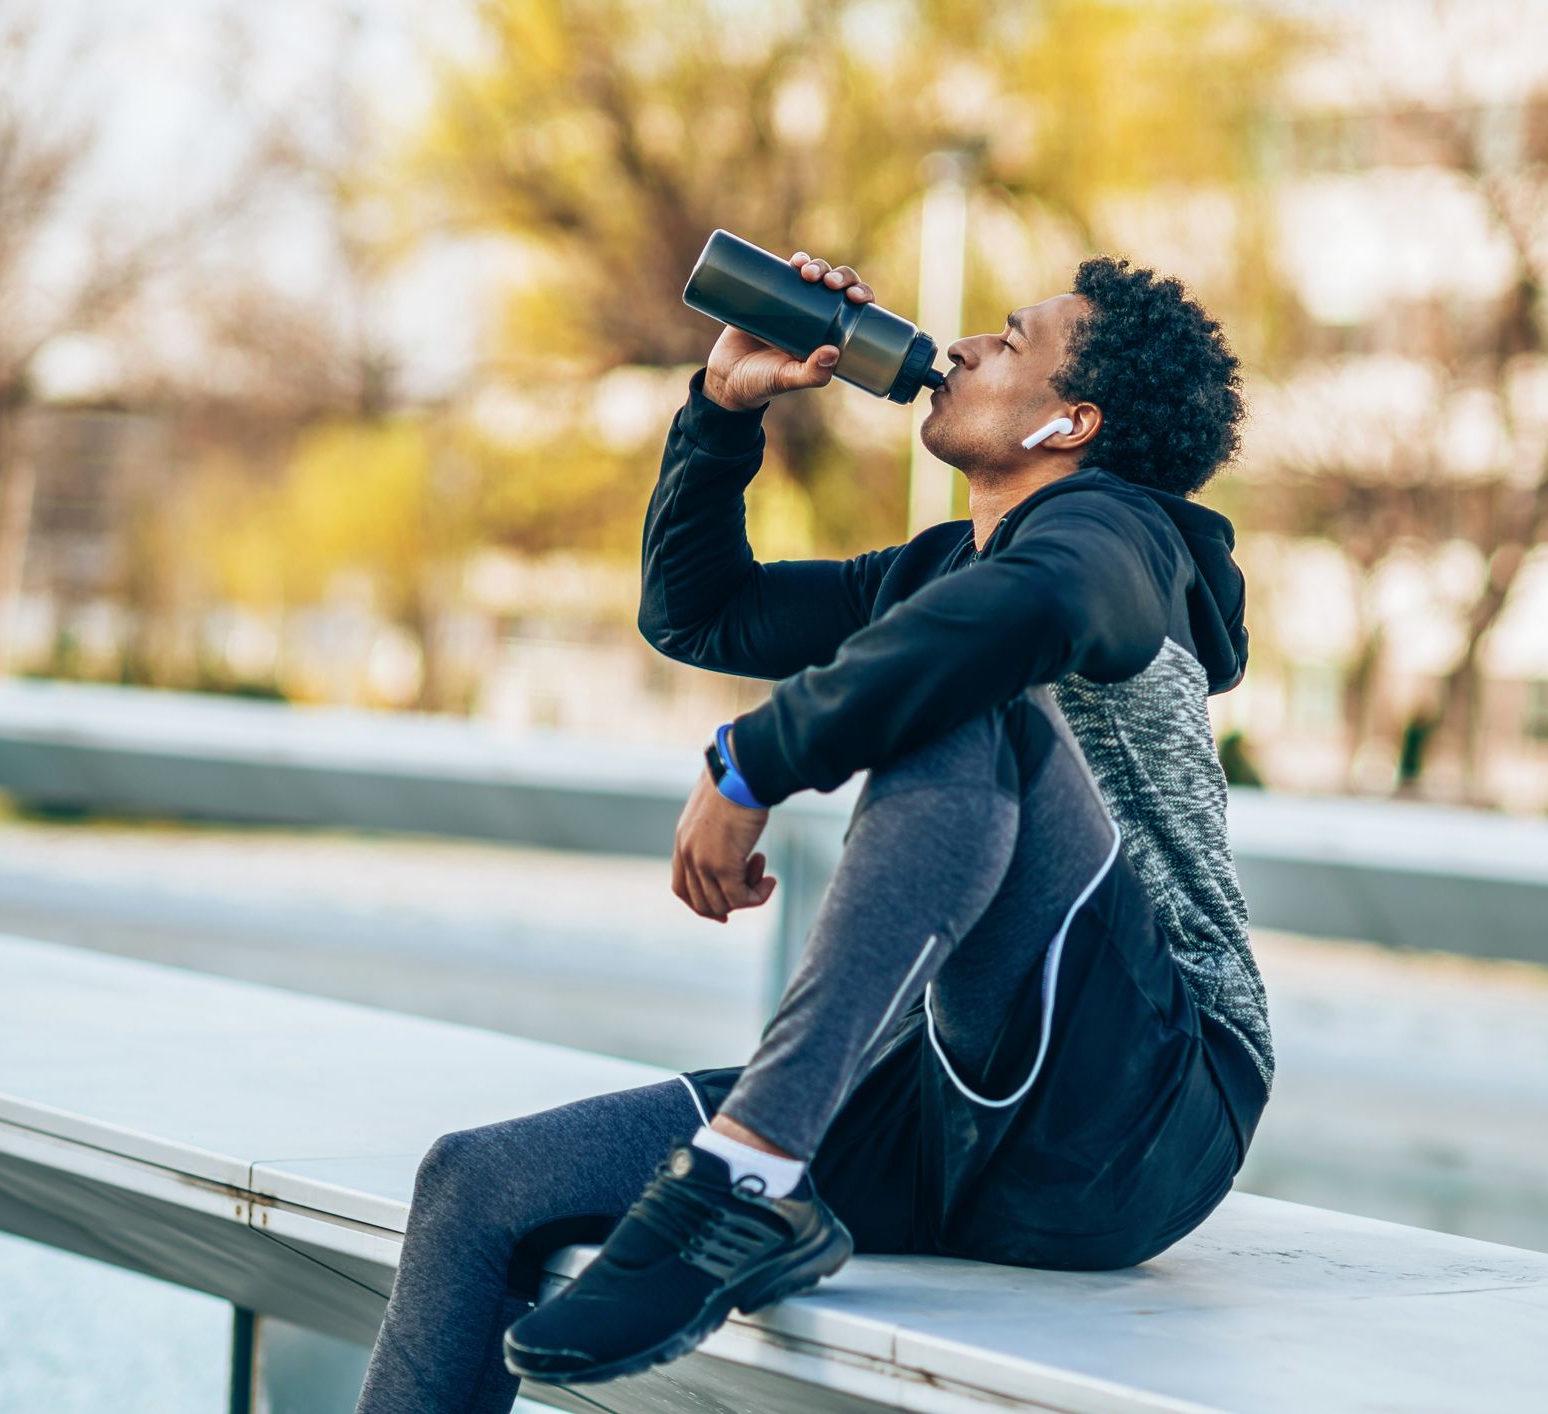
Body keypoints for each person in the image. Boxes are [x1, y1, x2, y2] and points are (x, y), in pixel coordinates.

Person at [353, 246, 1273, 1411]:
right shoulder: (941, 566)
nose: (969, 345)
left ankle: (744, 1175)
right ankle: (753, 1172)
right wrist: (722, 415)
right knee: (477, 1183)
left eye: (1009, 338)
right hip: (934, 1099)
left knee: (965, 705)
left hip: (1144, 1103)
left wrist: (754, 761)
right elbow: (702, 612)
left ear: (1068, 421)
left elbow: (1028, 610)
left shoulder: (1124, 536)